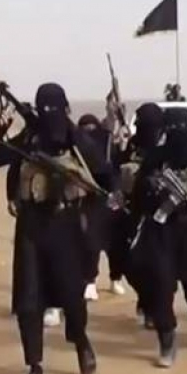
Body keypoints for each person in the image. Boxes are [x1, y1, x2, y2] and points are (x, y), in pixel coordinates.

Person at [0, 83, 111, 374]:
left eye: (54, 108)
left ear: (66, 109)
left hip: (66, 226)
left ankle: (80, 341)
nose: (49, 115)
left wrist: (94, 216)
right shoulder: (29, 138)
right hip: (31, 226)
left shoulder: (77, 140)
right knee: (28, 300)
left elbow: (106, 177)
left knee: (72, 296)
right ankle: (34, 367)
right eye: (44, 109)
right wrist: (1, 129)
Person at [128, 106, 187, 367]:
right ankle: (167, 339)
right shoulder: (156, 158)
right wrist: (153, 192)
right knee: (160, 287)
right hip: (162, 230)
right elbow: (138, 196)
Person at [112, 104, 166, 330]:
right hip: (132, 212)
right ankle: (146, 301)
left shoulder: (167, 147)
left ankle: (155, 309)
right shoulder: (132, 145)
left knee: (158, 267)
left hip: (162, 214)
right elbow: (115, 168)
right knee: (130, 263)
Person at [77, 114, 125, 300]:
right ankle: (90, 281)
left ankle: (115, 278)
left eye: (92, 128)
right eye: (85, 129)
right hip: (89, 198)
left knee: (115, 244)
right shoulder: (78, 146)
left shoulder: (108, 143)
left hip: (111, 198)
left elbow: (117, 167)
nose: (90, 132)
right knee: (91, 243)